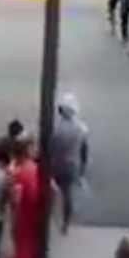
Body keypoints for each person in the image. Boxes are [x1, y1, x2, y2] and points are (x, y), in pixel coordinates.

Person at [50, 93, 89, 235]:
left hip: (55, 165)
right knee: (68, 196)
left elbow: (50, 147)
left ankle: (47, 220)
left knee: (50, 193)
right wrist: (82, 171)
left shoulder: (55, 128)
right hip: (72, 166)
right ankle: (65, 224)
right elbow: (84, 151)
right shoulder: (81, 129)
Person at [8, 139, 40, 258]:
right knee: (33, 248)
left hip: (24, 218)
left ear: (16, 156)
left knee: (23, 251)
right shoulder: (35, 168)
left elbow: (16, 201)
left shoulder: (20, 175)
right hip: (37, 214)